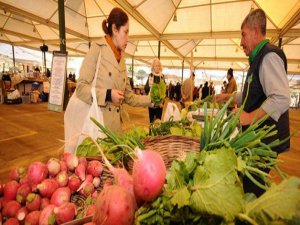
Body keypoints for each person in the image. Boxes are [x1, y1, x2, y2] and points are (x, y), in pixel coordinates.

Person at [215, 9, 290, 197]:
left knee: (250, 186)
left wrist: (248, 117)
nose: (241, 42)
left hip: (266, 139)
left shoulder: (269, 56)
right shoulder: (258, 58)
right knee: (251, 182)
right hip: (259, 137)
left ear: (256, 32)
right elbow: (252, 94)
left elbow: (281, 98)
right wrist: (228, 98)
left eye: (243, 35)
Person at [71, 7, 152, 134]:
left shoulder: (122, 59)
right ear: (115, 29)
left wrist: (152, 100)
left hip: (116, 130)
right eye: (125, 32)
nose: (128, 38)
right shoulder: (97, 49)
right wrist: (108, 95)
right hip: (98, 129)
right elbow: (81, 88)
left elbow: (129, 97)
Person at [144, 58, 165, 123]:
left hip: (159, 104)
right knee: (152, 121)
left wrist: (162, 102)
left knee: (158, 121)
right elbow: (146, 88)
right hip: (152, 103)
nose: (157, 67)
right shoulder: (150, 76)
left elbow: (164, 91)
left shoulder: (162, 76)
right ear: (153, 67)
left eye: (159, 65)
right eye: (156, 66)